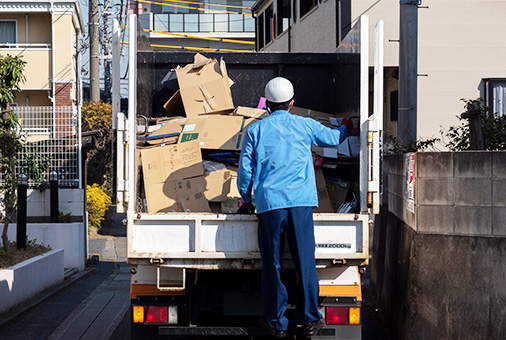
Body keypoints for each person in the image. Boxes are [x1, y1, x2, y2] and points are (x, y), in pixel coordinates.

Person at [237, 77, 348, 338]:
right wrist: (346, 128)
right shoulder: (305, 125)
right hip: (300, 203)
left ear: (267, 105)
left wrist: (246, 197)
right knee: (305, 262)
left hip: (269, 204)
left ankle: (276, 322)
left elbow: (245, 170)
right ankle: (310, 319)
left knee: (272, 263)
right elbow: (333, 139)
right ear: (292, 103)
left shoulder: (255, 130)